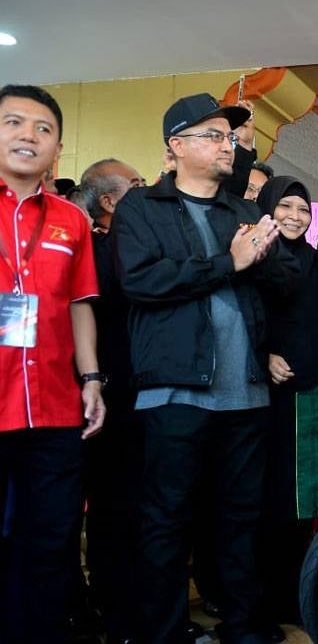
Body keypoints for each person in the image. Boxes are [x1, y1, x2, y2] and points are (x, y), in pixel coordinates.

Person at [113, 92, 299, 644]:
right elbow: (142, 282)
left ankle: (244, 625)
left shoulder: (245, 209)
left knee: (242, 516)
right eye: (214, 135)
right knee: (167, 520)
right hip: (174, 390)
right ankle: (165, 631)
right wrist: (229, 263)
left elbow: (287, 280)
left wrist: (262, 260)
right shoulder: (142, 208)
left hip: (245, 391)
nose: (229, 145)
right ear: (177, 146)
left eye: (229, 137)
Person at [0, 84, 105, 644]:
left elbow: (80, 303)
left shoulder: (71, 220)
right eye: (14, 123)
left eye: (43, 129)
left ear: (57, 150)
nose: (28, 136)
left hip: (56, 408)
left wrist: (91, 380)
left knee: (51, 537)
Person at [256, 176, 318, 633]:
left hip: (309, 389)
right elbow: (245, 310)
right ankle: (263, 599)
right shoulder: (255, 254)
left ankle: (294, 594)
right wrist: (263, 353)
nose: (295, 217)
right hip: (266, 395)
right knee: (267, 499)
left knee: (301, 501)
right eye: (286, 207)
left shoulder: (314, 259)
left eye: (303, 210)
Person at [79, 157, 145, 644]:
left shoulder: (130, 244)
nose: (145, 194)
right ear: (108, 202)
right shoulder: (98, 250)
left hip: (137, 392)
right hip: (106, 393)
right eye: (136, 186)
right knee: (112, 507)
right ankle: (111, 611)